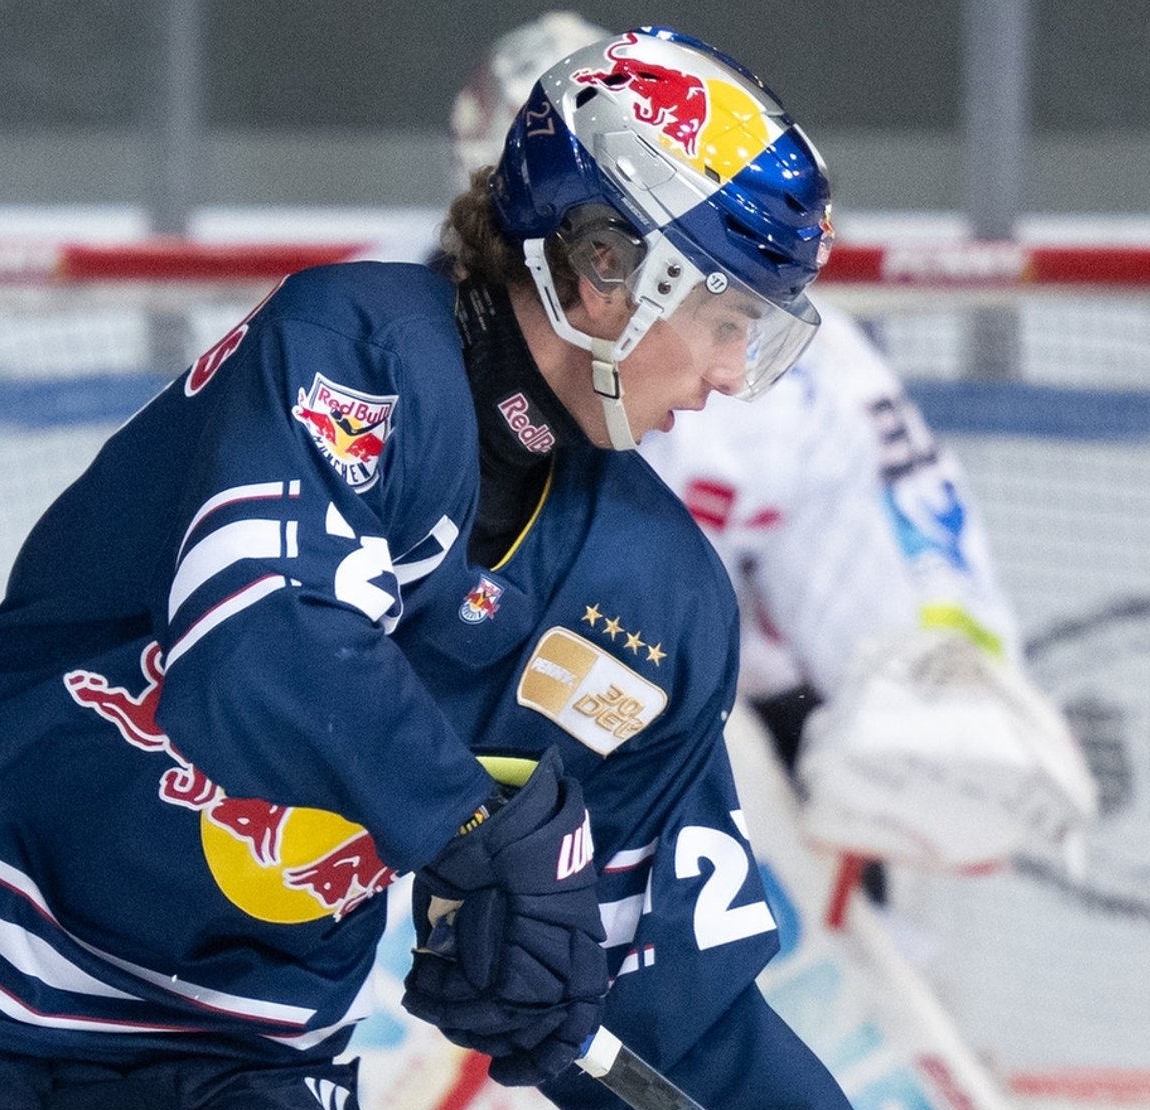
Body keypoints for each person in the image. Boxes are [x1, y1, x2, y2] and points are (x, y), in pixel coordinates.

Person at [0, 26, 922, 1110]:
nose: (734, 372)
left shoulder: (662, 601)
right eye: (724, 315)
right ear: (606, 264)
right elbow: (260, 642)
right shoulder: (351, 346)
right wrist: (472, 826)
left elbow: (664, 984)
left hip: (241, 1046)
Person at [450, 11, 1096, 885]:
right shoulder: (383, 332)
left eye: (603, 249)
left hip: (713, 751)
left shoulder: (800, 381)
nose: (582, 285)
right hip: (444, 721)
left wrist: (937, 691)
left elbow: (899, 574)